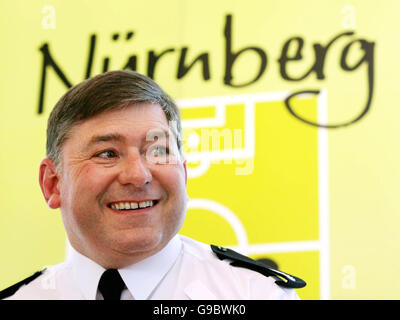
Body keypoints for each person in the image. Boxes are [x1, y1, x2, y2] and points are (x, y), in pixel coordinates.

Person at [1, 70, 304, 300]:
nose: (138, 175)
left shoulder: (256, 293)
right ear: (52, 184)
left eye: (158, 151)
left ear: (184, 173)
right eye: (107, 153)